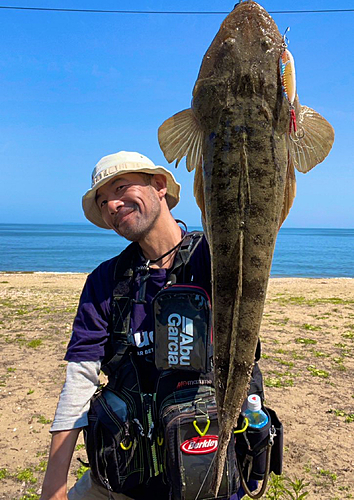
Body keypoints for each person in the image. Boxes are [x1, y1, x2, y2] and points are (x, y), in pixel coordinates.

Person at [40, 151, 259, 500]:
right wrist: (53, 487)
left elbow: (257, 208)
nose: (112, 203)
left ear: (159, 186)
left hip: (208, 466)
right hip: (130, 473)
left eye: (122, 187)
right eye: (102, 200)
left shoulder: (217, 256)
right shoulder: (105, 281)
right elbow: (80, 379)